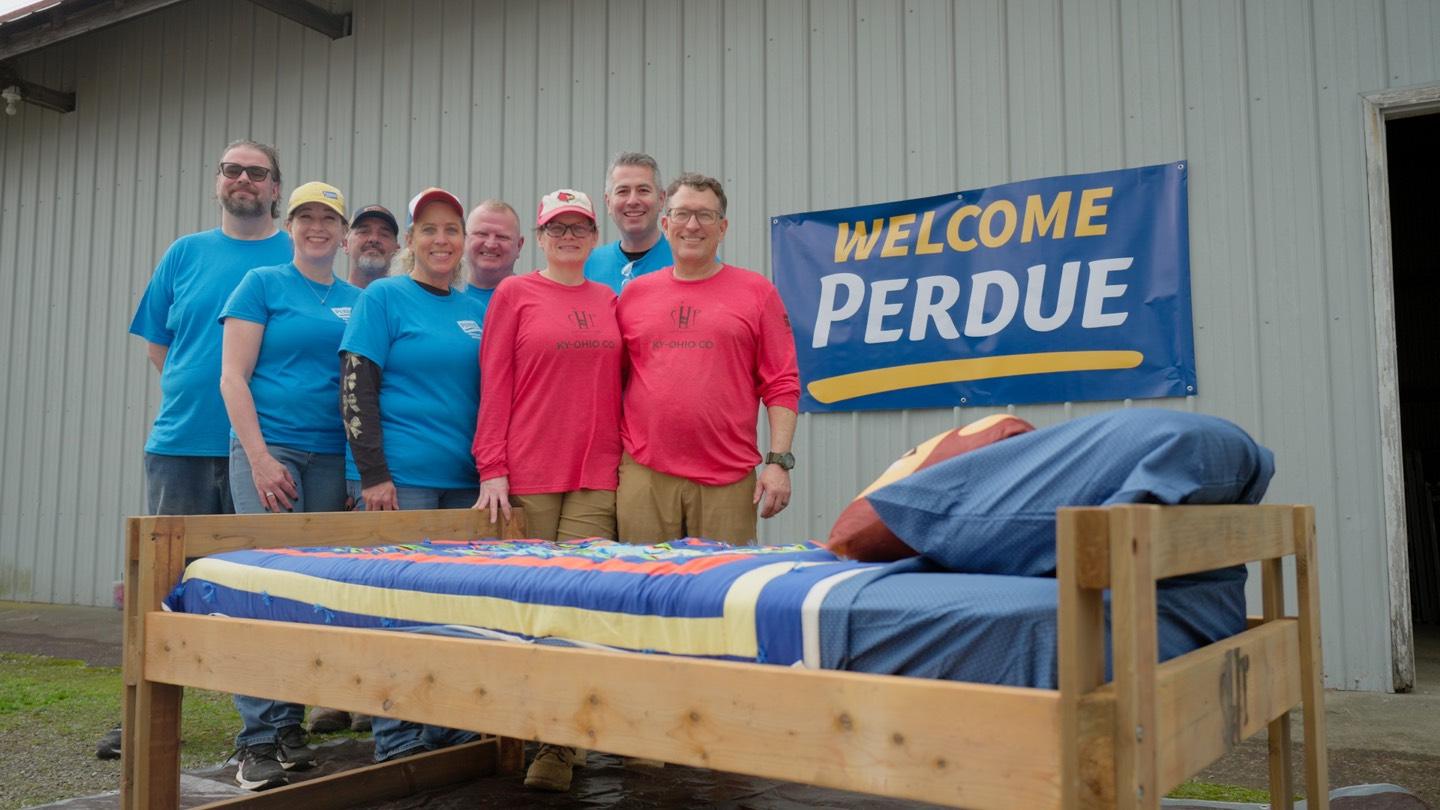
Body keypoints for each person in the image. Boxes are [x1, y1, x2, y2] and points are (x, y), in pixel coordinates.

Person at [104, 139, 292, 761]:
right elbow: (158, 345)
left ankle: (277, 721)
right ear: (219, 182)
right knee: (160, 584)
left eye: (256, 173)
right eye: (232, 170)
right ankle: (142, 712)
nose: (243, 180)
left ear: (274, 188)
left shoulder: (293, 253)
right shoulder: (185, 254)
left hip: (263, 453)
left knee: (260, 586)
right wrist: (196, 388)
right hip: (181, 443)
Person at [471, 189, 623, 792]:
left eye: (578, 226)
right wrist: (492, 466)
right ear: (540, 237)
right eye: (555, 227)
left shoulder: (610, 297)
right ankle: (543, 732)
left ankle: (560, 744)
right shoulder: (514, 294)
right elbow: (495, 383)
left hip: (595, 476)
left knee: (578, 606)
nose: (567, 236)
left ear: (593, 236)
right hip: (529, 473)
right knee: (532, 608)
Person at [217, 180, 359, 789]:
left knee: (309, 594)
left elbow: (362, 393)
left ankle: (289, 724)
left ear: (344, 232)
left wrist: (356, 470)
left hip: (330, 457)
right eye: (306, 217)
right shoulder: (263, 285)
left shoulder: (358, 298)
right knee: (261, 587)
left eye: (329, 218)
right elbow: (231, 376)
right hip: (270, 450)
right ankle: (255, 739)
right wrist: (257, 457)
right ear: (289, 224)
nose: (317, 227)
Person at [339, 187, 487, 762]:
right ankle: (397, 733)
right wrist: (373, 474)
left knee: (454, 605)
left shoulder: (476, 310)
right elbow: (355, 386)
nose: (442, 240)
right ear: (412, 241)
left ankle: (447, 723)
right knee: (397, 605)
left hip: (464, 483)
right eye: (429, 230)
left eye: (452, 229)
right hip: (399, 481)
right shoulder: (383, 298)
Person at [616, 173, 801, 546]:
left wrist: (778, 462)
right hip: (645, 472)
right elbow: (613, 383)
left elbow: (782, 382)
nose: (693, 226)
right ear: (666, 224)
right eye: (682, 214)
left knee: (722, 594)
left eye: (706, 216)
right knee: (643, 592)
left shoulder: (757, 292)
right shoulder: (633, 295)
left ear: (724, 227)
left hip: (727, 477)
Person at [306, 202, 400, 737]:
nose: (372, 240)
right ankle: (331, 694)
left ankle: (370, 697)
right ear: (346, 242)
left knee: (374, 586)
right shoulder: (331, 298)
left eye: (383, 234)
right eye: (362, 230)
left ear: (397, 246)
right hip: (335, 459)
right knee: (337, 585)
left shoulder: (397, 299)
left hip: (373, 462)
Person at [583, 152, 672, 294]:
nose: (632, 201)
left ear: (661, 199)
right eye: (623, 191)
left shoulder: (689, 262)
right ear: (608, 202)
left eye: (643, 190)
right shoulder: (588, 266)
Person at [463, 199, 525, 320]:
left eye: (502, 237)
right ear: (464, 239)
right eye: (481, 234)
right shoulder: (441, 298)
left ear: (519, 245)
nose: (491, 244)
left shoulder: (532, 301)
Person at [344, 204, 400, 289]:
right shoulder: (328, 299)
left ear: (397, 251)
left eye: (384, 234)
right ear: (345, 244)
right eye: (364, 231)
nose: (374, 239)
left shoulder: (407, 301)